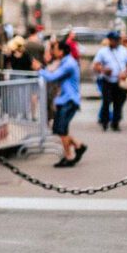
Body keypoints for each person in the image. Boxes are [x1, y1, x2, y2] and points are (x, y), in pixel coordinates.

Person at [39, 35, 87, 166]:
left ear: (61, 51)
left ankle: (69, 156)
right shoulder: (65, 62)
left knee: (62, 130)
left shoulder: (69, 64)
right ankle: (78, 145)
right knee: (59, 129)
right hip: (64, 100)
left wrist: (39, 69)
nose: (53, 52)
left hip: (69, 100)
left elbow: (52, 77)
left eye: (54, 49)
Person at [93, 30, 127, 131]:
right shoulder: (103, 51)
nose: (116, 42)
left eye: (117, 40)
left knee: (118, 103)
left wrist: (126, 73)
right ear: (110, 40)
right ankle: (105, 122)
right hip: (108, 80)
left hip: (119, 81)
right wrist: (103, 70)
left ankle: (115, 123)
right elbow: (96, 65)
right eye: (114, 40)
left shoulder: (124, 51)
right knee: (106, 102)